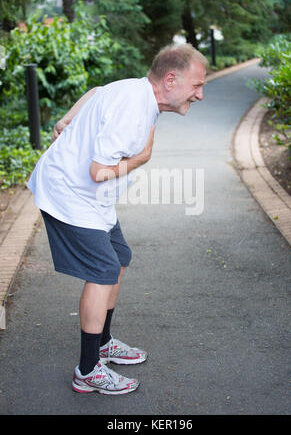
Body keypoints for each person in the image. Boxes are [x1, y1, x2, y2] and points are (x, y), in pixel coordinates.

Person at [27, 43, 207, 395]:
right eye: (197, 85)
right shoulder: (134, 113)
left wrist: (66, 119)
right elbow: (99, 172)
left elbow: (95, 91)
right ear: (171, 80)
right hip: (70, 192)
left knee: (119, 257)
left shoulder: (135, 89)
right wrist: (142, 158)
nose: (200, 95)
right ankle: (87, 370)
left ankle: (103, 342)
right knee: (104, 269)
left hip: (88, 195)